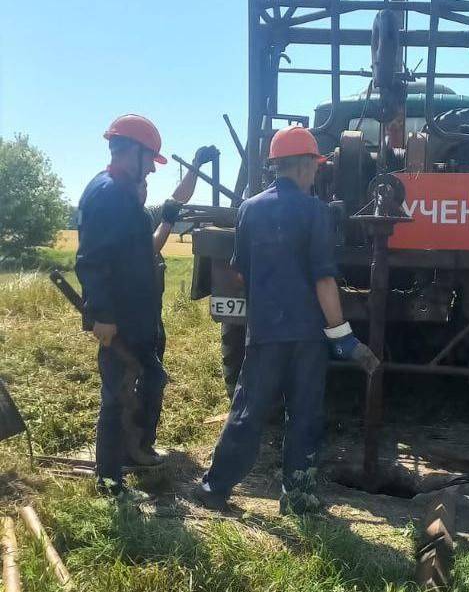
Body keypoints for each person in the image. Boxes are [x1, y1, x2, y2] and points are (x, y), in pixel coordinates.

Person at [194, 125, 378, 513]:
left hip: (264, 332)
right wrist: (344, 338)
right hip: (308, 334)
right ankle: (297, 496)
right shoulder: (315, 211)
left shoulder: (248, 209)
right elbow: (324, 280)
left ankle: (216, 487)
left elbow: (241, 272)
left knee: (248, 409)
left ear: (277, 165)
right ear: (306, 166)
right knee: (305, 412)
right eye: (315, 166)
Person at [76, 114, 171, 498]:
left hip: (136, 318)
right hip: (118, 320)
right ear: (132, 152)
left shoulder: (122, 193)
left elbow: (132, 254)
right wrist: (102, 315)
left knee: (149, 380)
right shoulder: (108, 194)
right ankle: (110, 481)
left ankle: (134, 452)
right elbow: (92, 260)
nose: (151, 167)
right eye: (150, 159)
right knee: (116, 396)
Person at [134, 146, 211, 461]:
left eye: (146, 186)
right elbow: (148, 251)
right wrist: (167, 222)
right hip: (134, 318)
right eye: (140, 185)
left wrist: (194, 166)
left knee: (152, 379)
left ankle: (142, 442)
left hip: (152, 317)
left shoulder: (144, 215)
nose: (145, 187)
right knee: (141, 381)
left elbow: (176, 201)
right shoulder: (126, 222)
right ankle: (134, 447)